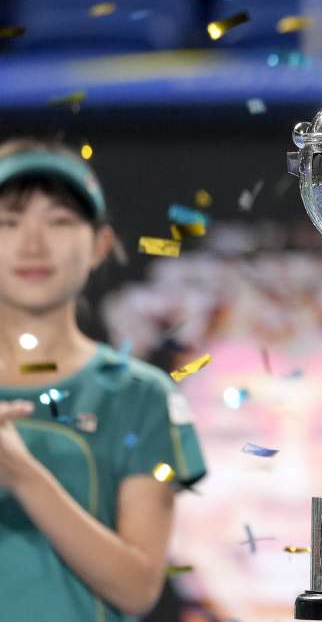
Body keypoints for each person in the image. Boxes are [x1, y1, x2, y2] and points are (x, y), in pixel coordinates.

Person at [0, 139, 207, 621]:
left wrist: (22, 475)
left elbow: (137, 589)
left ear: (100, 245)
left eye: (59, 222)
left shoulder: (140, 394)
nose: (33, 244)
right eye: (8, 223)